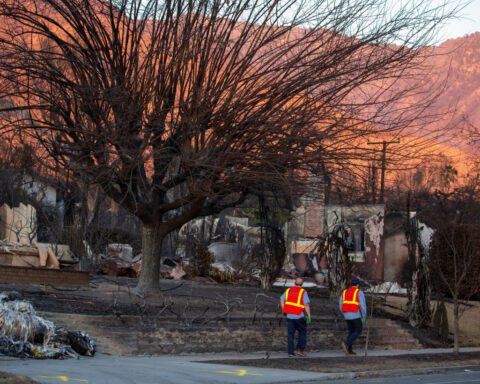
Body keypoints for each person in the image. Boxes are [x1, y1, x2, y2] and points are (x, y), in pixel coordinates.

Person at [280, 277, 311, 357]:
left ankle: (290, 353)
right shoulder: (303, 292)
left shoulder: (288, 291)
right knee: (303, 332)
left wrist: (284, 310)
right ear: (302, 284)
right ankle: (299, 350)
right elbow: (306, 305)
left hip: (289, 316)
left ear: (294, 283)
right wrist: (309, 315)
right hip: (299, 316)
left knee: (290, 334)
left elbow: (281, 299)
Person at [339, 277, 367, 356]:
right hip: (356, 315)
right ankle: (347, 344)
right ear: (358, 285)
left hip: (347, 316)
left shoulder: (344, 292)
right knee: (358, 331)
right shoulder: (359, 292)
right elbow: (362, 306)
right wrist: (364, 316)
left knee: (351, 332)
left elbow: (341, 305)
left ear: (351, 284)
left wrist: (344, 314)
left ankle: (349, 350)